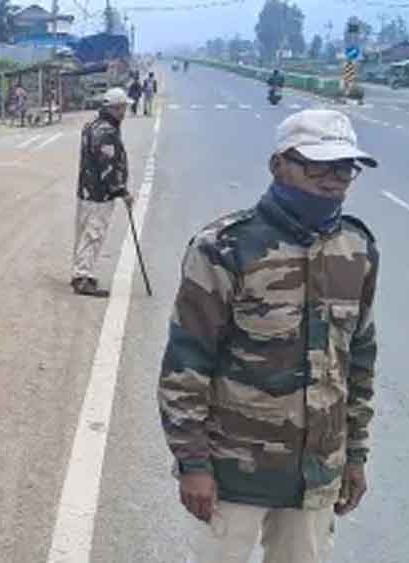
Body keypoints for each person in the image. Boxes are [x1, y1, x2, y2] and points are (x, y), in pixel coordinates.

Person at [158, 110, 380, 563]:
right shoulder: (224, 248)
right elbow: (187, 362)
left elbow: (358, 360)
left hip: (317, 474)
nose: (333, 180)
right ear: (278, 164)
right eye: (318, 165)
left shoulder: (356, 249)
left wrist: (354, 455)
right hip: (235, 472)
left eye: (345, 168)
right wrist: (193, 463)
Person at [73, 88, 133, 298]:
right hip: (99, 194)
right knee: (93, 234)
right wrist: (122, 191)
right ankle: (82, 277)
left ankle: (81, 273)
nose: (125, 112)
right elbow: (108, 166)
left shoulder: (91, 126)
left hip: (85, 190)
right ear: (115, 108)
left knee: (84, 232)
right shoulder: (107, 132)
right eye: (123, 108)